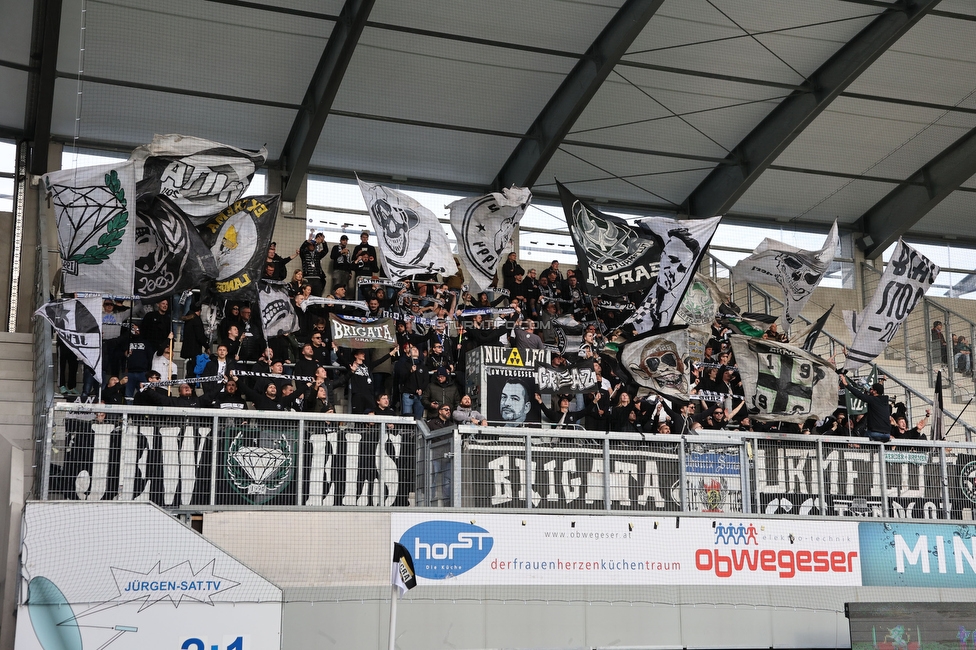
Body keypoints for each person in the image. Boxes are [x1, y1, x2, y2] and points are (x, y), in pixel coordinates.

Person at [839, 374, 891, 442]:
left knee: (858, 435)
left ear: (875, 392)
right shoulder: (885, 403)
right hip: (887, 434)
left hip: (875, 433)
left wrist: (846, 384)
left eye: (871, 389)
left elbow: (860, 395)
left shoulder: (873, 400)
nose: (870, 390)